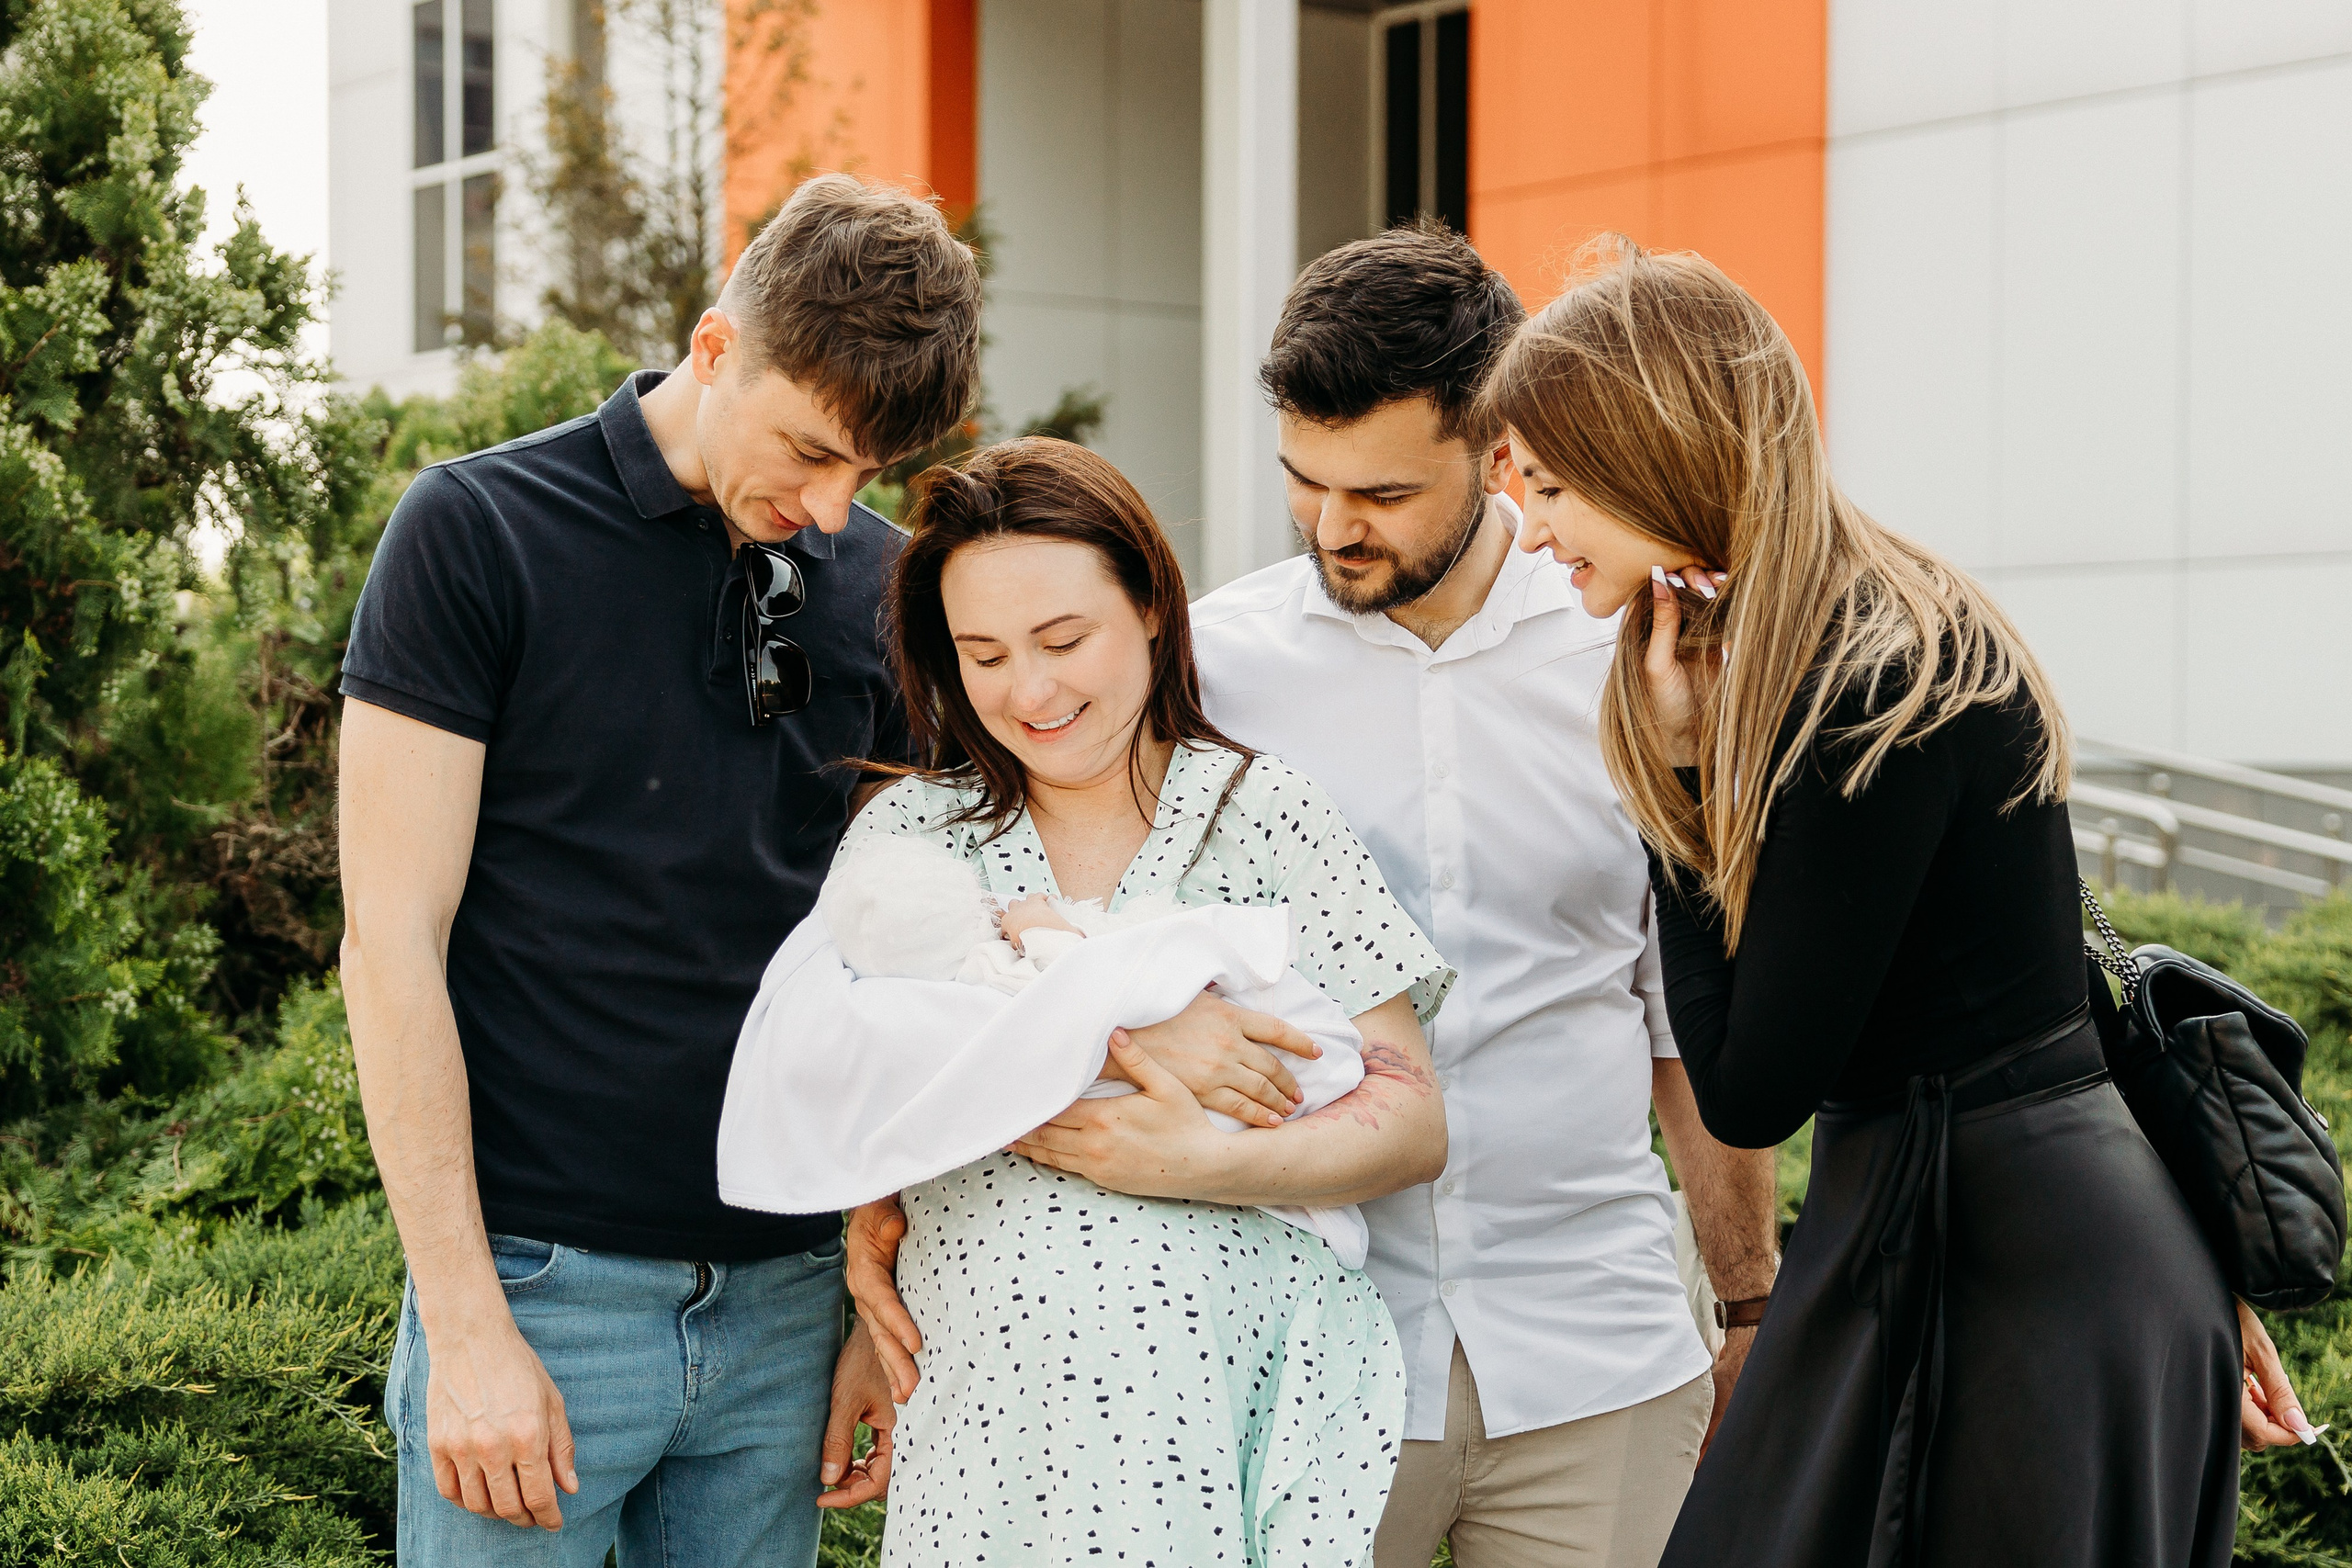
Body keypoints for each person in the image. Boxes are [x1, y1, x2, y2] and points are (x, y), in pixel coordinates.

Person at [1484, 233, 2312, 1567]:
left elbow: (1756, 1093)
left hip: (2005, 1275)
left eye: (1557, 486)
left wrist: (1678, 805)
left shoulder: (1860, 680)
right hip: (2011, 1247)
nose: (1532, 527)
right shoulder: (1894, 626)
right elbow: (2041, 988)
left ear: (1664, 453)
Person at [336, 173, 981, 1566]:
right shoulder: (475, 532)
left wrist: (874, 1290)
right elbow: (389, 940)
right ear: (712, 347)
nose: (825, 510)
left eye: (861, 475)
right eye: (807, 450)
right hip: (539, 1296)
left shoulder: (879, 585)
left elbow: (903, 971)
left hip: (789, 1310)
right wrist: (464, 1324)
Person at [1186, 222, 1783, 1568]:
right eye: (1305, 480)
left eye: (1384, 492)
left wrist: (1749, 1303)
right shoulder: (1211, 675)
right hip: (1308, 1355)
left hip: (1600, 1354)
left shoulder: (1639, 651)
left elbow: (1685, 1017)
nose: (1336, 526)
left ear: (1498, 446)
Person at [833, 436, 1455, 1567]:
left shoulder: (1271, 816)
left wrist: (1199, 1165)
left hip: (1230, 1423)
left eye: (1066, 640)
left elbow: (1413, 1122)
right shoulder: (906, 849)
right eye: (982, 655)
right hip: (990, 1439)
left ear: (1157, 609)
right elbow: (837, 1090)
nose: (1031, 691)